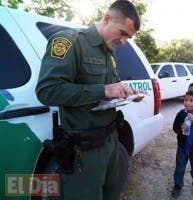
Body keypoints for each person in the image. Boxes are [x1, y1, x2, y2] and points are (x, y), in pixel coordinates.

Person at [35, 0, 140, 199]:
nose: (124, 42)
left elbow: (110, 90)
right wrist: (102, 90)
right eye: (123, 33)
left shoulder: (110, 53)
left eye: (129, 37)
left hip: (111, 141)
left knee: (111, 193)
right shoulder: (70, 42)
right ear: (107, 18)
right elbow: (47, 91)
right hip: (85, 150)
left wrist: (125, 93)